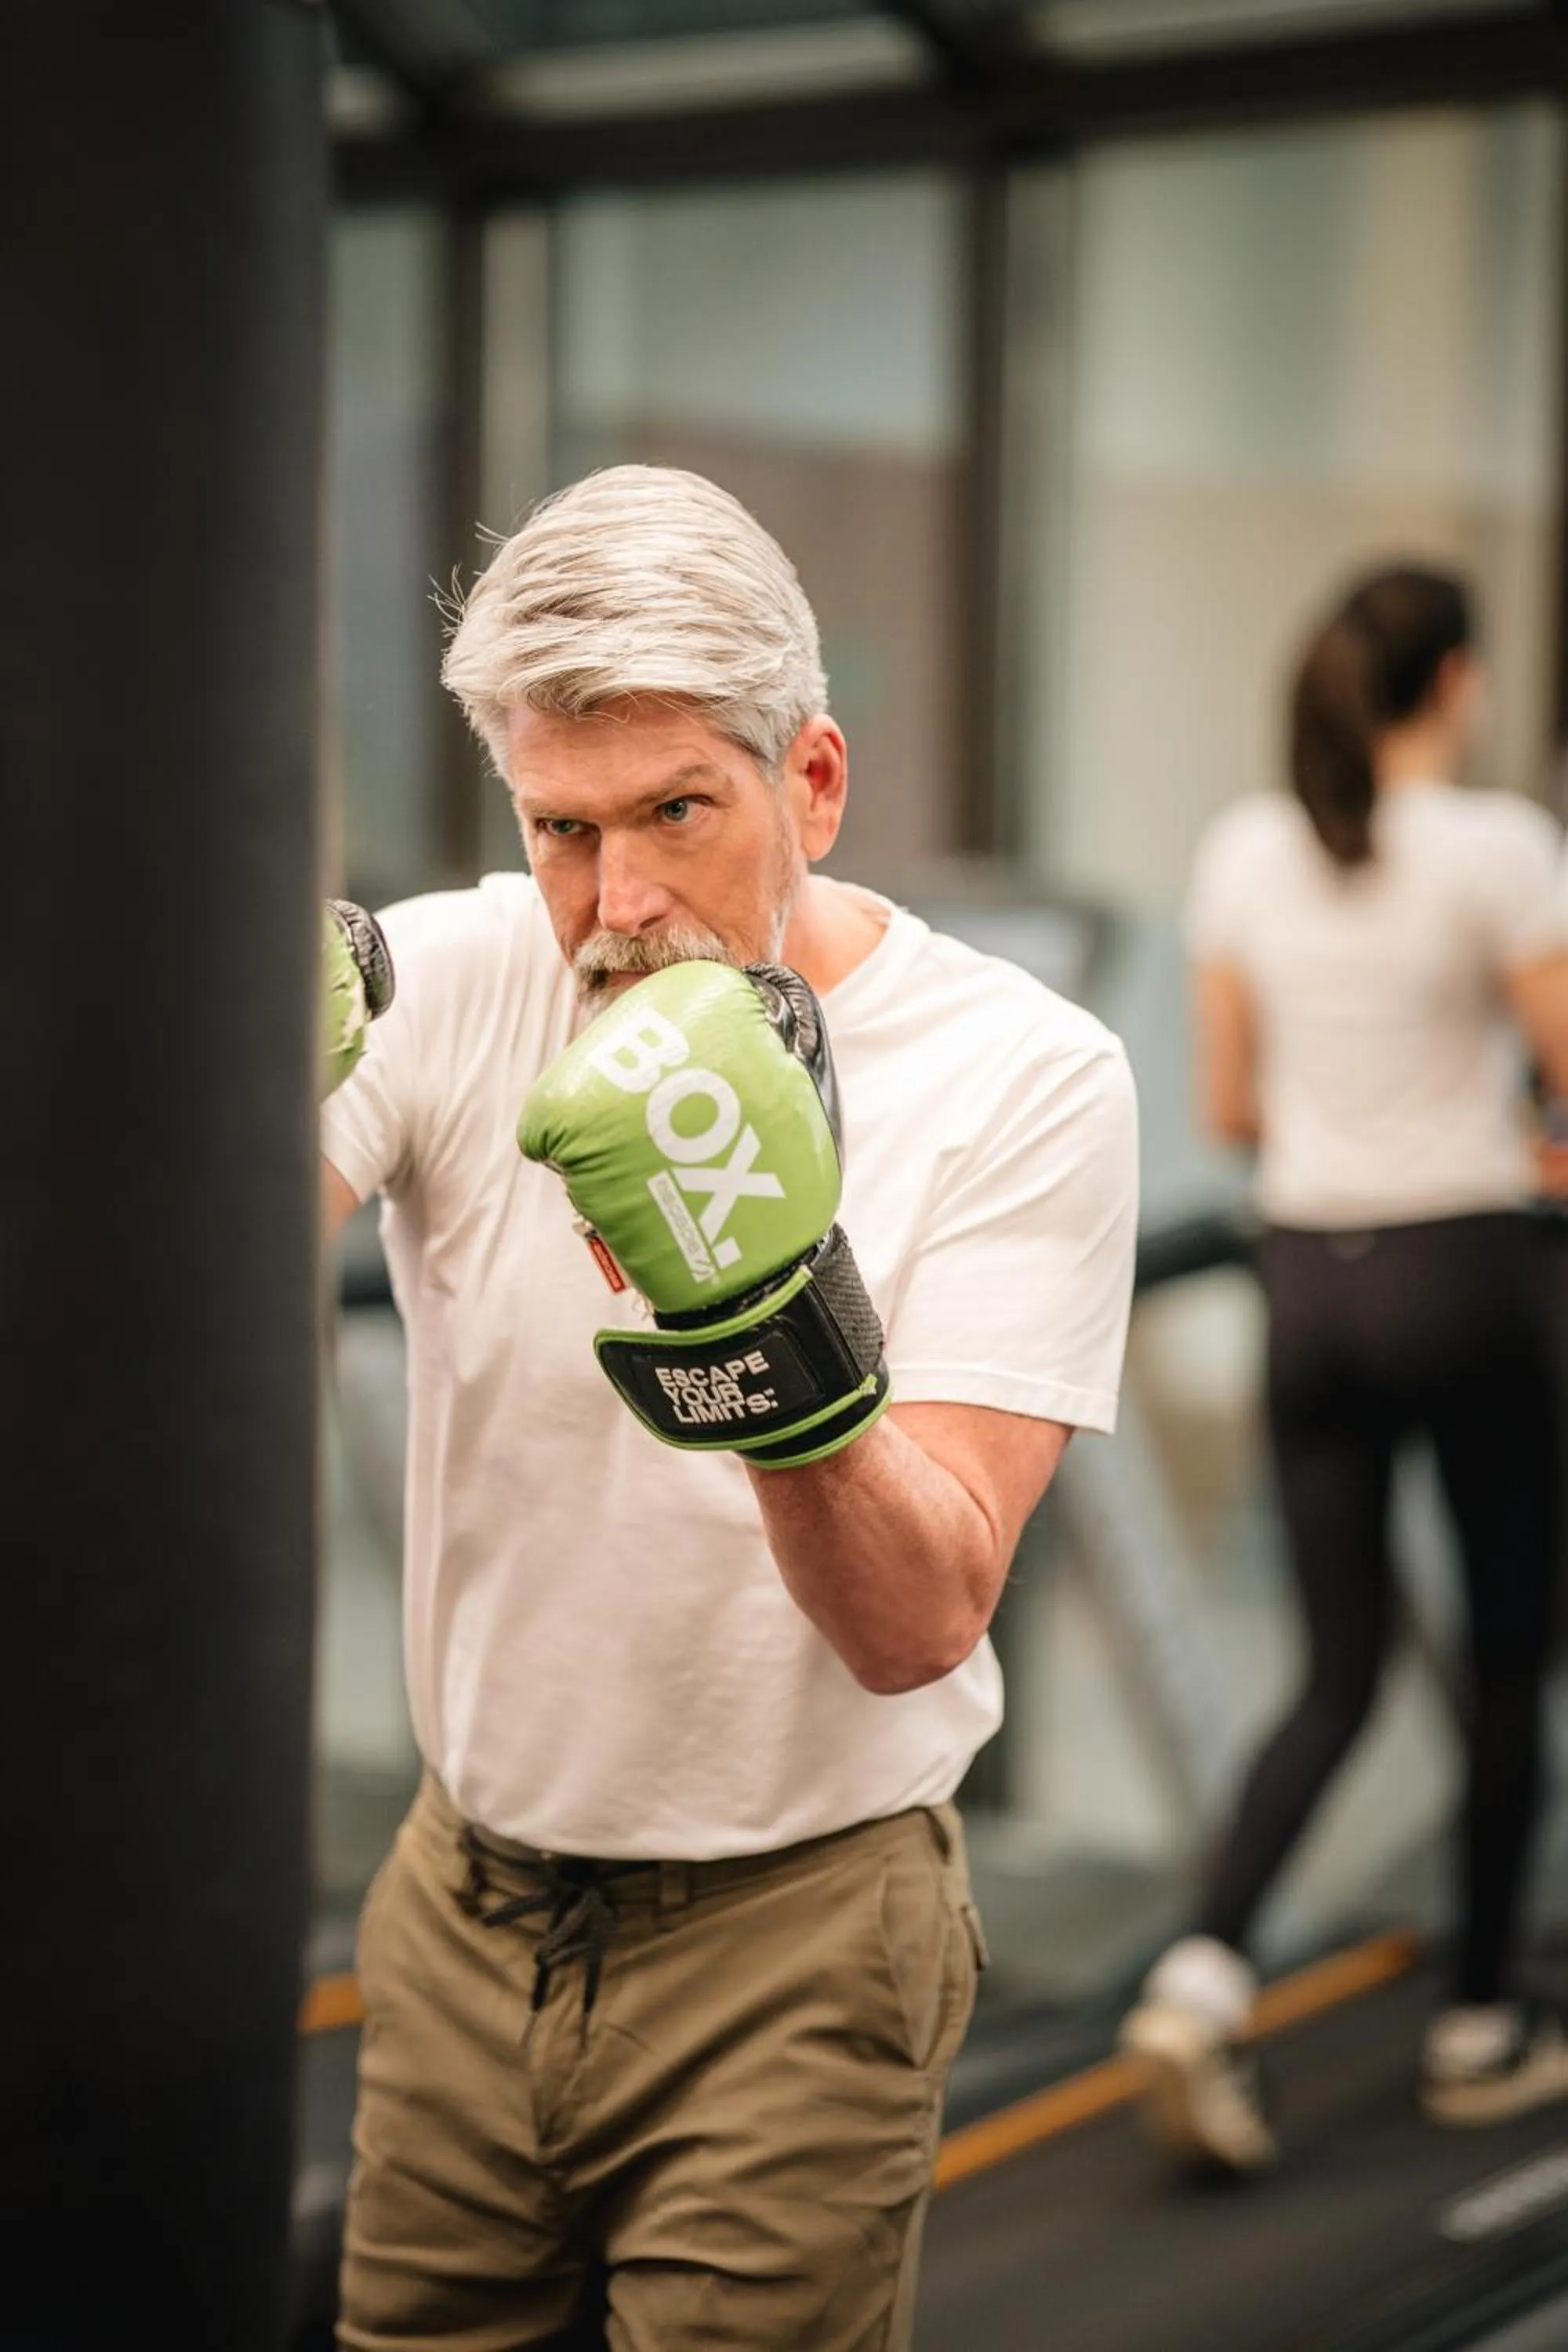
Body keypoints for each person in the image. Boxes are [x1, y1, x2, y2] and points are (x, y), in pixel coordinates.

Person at [319, 463, 1139, 2348]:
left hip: (799, 1943)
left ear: (815, 787)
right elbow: (158, 1297)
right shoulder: (449, 983)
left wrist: (761, 1310)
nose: (616, 904)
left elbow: (915, 1620)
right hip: (461, 1917)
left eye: (677, 811)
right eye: (559, 829)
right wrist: (178, 1029)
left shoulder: (1029, 1077)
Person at [1120, 563, 1568, 2172]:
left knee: (1336, 1666)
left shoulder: (1245, 847)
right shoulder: (1503, 850)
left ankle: (1201, 1968)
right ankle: (1475, 2027)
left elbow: (1234, 1106)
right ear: (1454, 679)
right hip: (1467, 1268)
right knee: (1509, 1663)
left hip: (1307, 1285)